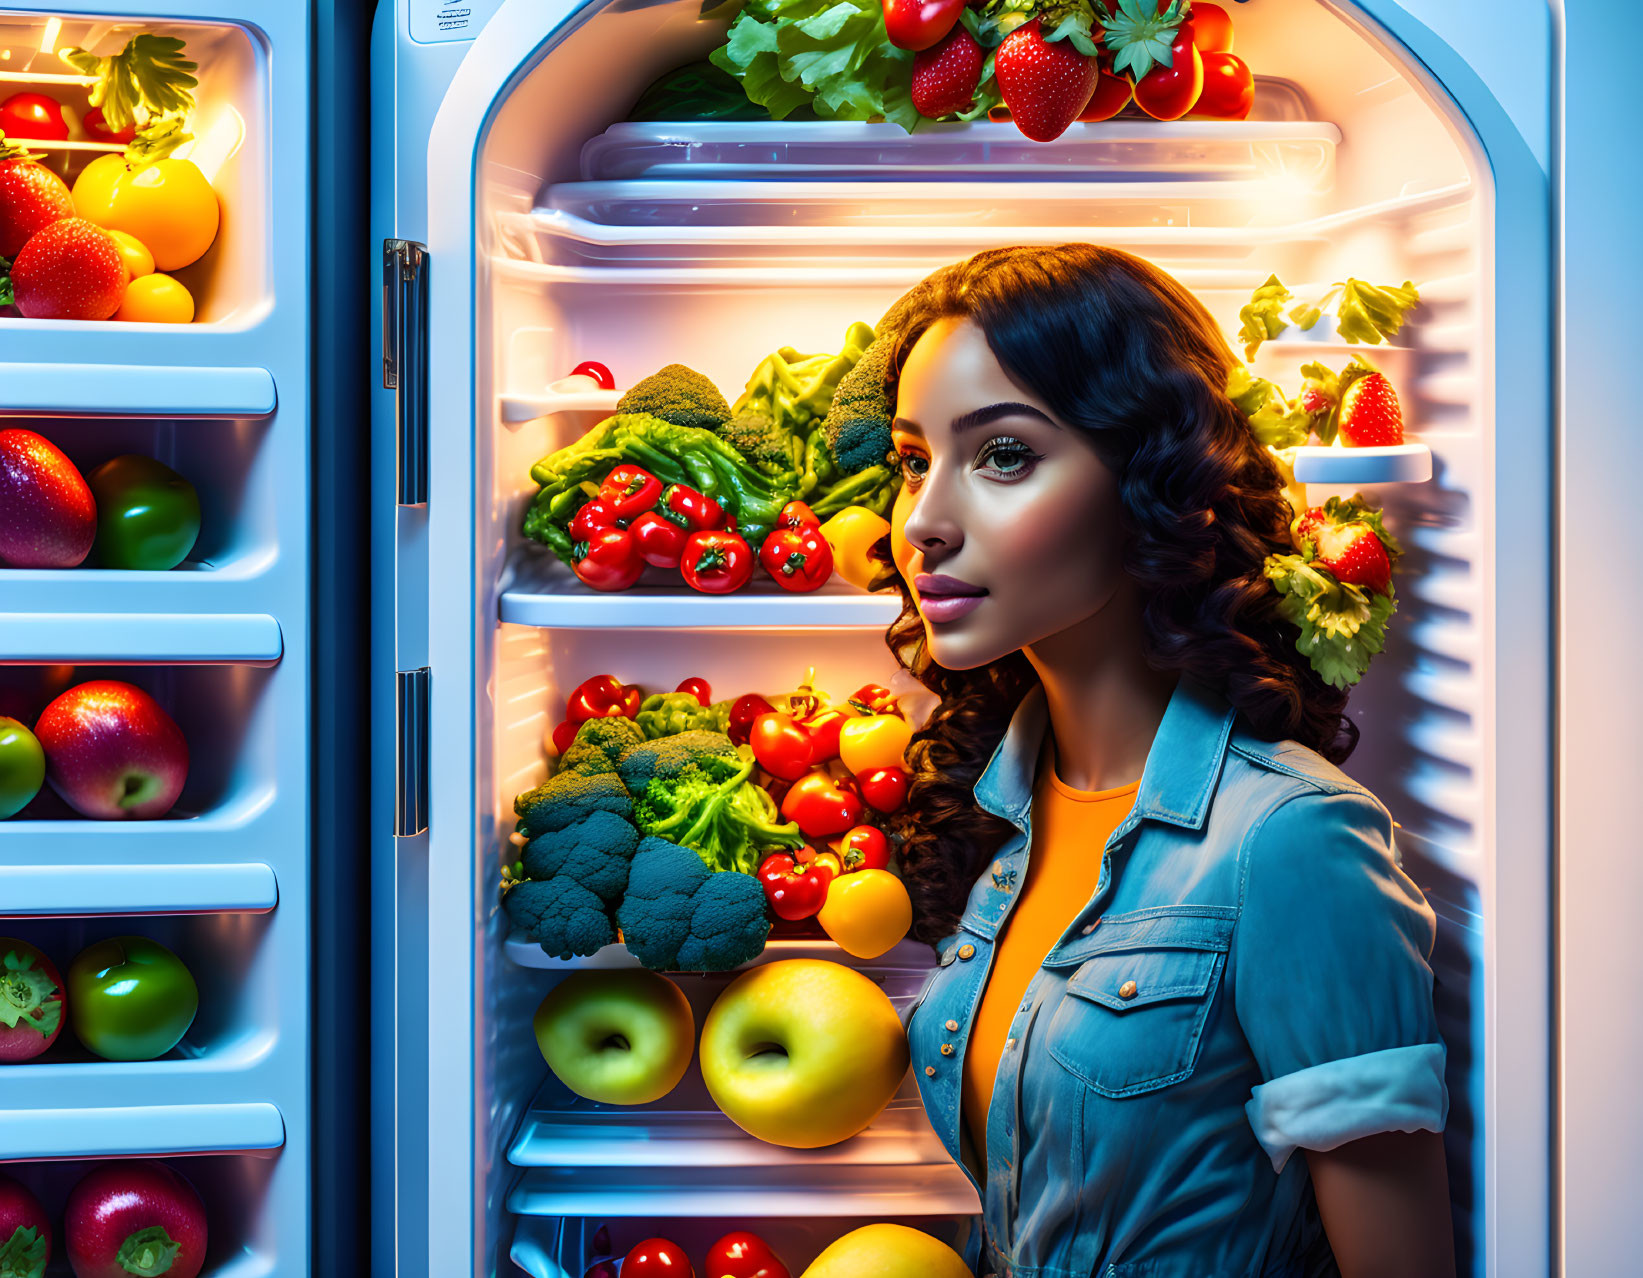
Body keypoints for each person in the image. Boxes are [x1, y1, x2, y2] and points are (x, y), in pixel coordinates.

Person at [876, 244, 1454, 1277]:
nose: (922, 522)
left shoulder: (1289, 841)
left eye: (1002, 455)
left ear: (1149, 478)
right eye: (912, 460)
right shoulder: (1005, 807)